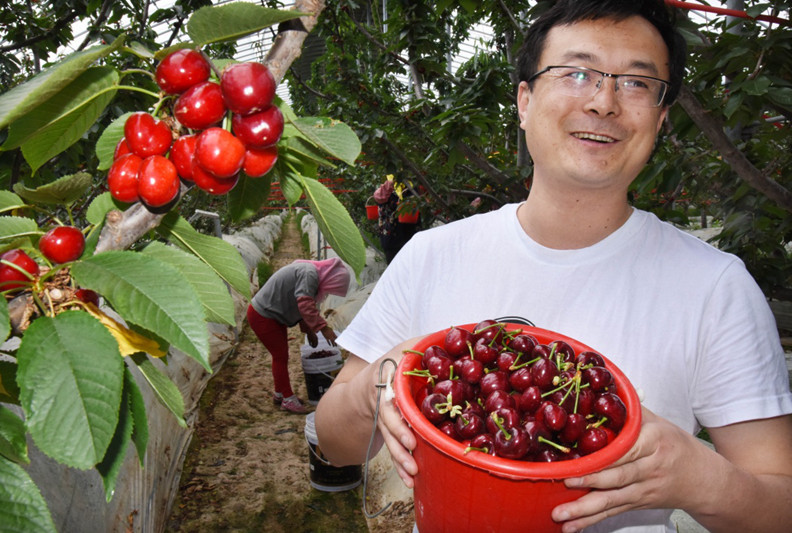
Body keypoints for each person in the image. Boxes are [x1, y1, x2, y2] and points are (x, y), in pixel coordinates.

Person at [315, 0, 792, 531]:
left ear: (660, 118)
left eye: (636, 83)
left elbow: (781, 505)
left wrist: (703, 478)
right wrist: (375, 388)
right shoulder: (432, 255)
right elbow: (335, 446)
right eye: (577, 73)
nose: (604, 102)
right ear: (524, 101)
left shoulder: (715, 287)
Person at [247, 257, 350, 413]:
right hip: (263, 316)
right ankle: (288, 399)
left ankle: (280, 393)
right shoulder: (310, 274)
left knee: (281, 355)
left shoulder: (310, 273)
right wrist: (324, 329)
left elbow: (299, 305)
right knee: (280, 356)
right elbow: (304, 304)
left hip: (272, 315)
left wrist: (309, 331)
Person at [373, 176, 420, 263]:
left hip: (411, 239)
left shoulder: (411, 187)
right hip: (392, 241)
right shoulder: (386, 190)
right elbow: (379, 197)